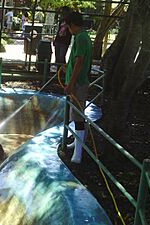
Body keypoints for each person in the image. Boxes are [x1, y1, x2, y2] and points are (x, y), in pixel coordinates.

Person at [60, 11, 92, 164]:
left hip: (78, 84)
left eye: (68, 26)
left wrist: (71, 83)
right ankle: (77, 144)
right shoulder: (82, 36)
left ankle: (78, 153)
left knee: (78, 116)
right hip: (76, 82)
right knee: (75, 115)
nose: (67, 29)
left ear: (72, 24)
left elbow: (80, 62)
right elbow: (76, 61)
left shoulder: (81, 38)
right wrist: (69, 67)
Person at [53, 6, 72, 70]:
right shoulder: (61, 20)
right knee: (58, 57)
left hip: (65, 41)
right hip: (59, 40)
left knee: (61, 57)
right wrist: (55, 40)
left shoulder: (70, 21)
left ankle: (63, 70)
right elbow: (59, 30)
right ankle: (59, 70)